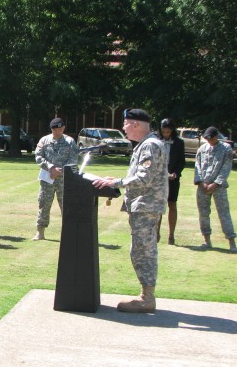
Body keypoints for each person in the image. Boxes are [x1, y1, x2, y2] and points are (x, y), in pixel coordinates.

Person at [93, 109, 168, 313]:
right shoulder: (146, 145)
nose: (123, 128)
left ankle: (147, 298)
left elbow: (144, 178)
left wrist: (116, 182)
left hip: (146, 205)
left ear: (136, 124)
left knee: (143, 251)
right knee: (141, 249)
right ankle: (146, 295)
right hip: (143, 205)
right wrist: (113, 181)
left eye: (125, 123)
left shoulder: (150, 145)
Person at [33, 117, 78, 240]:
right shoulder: (44, 140)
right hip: (47, 178)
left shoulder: (70, 142)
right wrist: (51, 168)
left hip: (64, 180)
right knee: (43, 203)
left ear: (63, 128)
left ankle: (68, 233)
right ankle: (40, 232)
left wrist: (61, 171)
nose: (57, 132)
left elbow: (73, 159)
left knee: (66, 205)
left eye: (59, 129)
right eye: (54, 130)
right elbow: (38, 156)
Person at [194, 126, 237, 252]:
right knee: (203, 214)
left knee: (224, 213)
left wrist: (216, 183)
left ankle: (232, 242)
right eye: (207, 139)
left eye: (211, 139)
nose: (209, 141)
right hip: (203, 186)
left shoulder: (226, 149)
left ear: (216, 136)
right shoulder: (202, 149)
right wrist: (200, 181)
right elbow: (197, 165)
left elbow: (226, 167)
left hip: (219, 187)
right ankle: (206, 241)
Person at [157, 118, 185, 245]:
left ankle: (171, 236)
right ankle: (156, 233)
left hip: (173, 180)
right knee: (158, 207)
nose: (166, 134)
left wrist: (176, 173)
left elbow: (181, 161)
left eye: (168, 132)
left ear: (172, 130)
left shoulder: (179, 143)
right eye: (164, 131)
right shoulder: (155, 141)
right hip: (158, 179)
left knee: (172, 205)